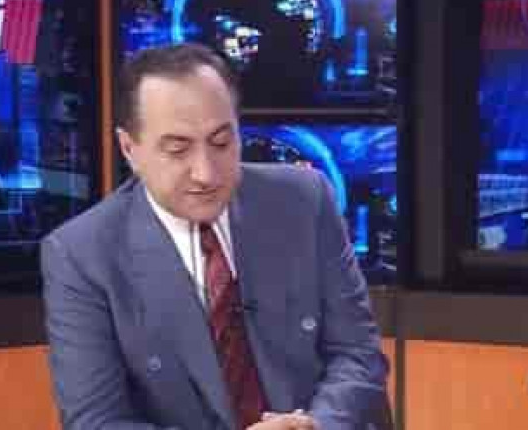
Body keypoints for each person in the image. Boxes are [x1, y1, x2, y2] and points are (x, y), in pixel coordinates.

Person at [41, 42, 388, 430]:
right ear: (129, 149)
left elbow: (358, 354)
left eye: (222, 142)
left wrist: (318, 424)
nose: (206, 173)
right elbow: (96, 421)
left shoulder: (306, 200)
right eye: (178, 149)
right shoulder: (81, 255)